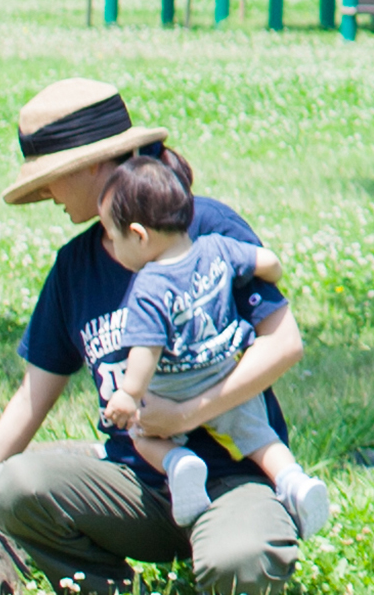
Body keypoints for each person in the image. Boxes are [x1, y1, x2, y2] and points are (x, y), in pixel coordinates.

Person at [0, 80, 309, 595]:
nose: (46, 194)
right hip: (138, 486)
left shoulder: (200, 228)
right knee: (17, 487)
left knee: (239, 566)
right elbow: (30, 399)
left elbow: (285, 345)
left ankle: (236, 541)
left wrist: (185, 413)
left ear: (98, 166)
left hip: (234, 474)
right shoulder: (76, 266)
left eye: (51, 179)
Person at [83, 156, 328, 533]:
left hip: (175, 389)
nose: (112, 248)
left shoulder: (148, 288)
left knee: (142, 434)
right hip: (225, 374)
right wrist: (273, 273)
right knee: (260, 437)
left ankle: (180, 464)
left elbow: (145, 349)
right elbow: (269, 262)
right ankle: (294, 482)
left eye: (113, 237)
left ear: (139, 235)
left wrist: (130, 395)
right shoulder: (216, 248)